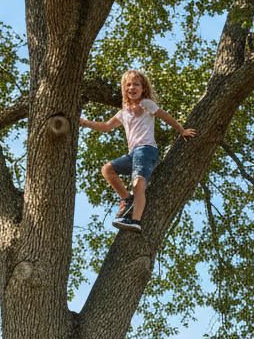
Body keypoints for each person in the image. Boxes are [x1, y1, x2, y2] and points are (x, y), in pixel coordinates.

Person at [78, 69, 195, 233]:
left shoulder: (146, 104)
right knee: (107, 169)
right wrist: (83, 122)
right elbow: (105, 127)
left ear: (143, 88)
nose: (132, 87)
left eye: (136, 84)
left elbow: (165, 116)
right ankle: (127, 199)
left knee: (138, 183)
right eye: (128, 85)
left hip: (146, 150)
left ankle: (135, 220)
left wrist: (182, 130)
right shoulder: (123, 112)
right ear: (124, 89)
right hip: (132, 154)